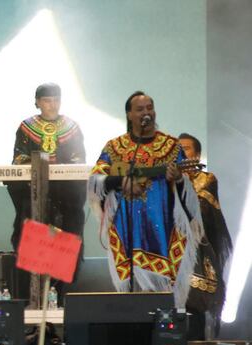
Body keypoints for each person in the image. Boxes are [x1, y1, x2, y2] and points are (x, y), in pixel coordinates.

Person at [87, 91, 203, 309]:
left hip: (163, 229)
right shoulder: (114, 147)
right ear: (129, 115)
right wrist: (121, 181)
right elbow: (96, 180)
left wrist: (178, 178)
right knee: (132, 297)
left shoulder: (171, 146)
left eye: (150, 107)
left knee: (163, 296)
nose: (146, 113)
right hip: (127, 228)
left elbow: (188, 186)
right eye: (140, 109)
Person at [6, 83, 86, 299]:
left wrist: (62, 169)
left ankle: (57, 298)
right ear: (38, 102)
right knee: (34, 251)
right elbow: (19, 158)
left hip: (65, 199)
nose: (52, 105)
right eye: (48, 100)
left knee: (64, 249)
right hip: (35, 198)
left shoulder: (71, 127)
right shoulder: (27, 127)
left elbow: (79, 160)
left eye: (56, 100)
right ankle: (34, 306)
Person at [178, 133, 233, 338]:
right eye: (177, 149)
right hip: (169, 253)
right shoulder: (164, 181)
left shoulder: (206, 179)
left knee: (194, 303)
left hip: (196, 251)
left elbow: (202, 212)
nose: (182, 153)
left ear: (197, 154)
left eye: (186, 148)